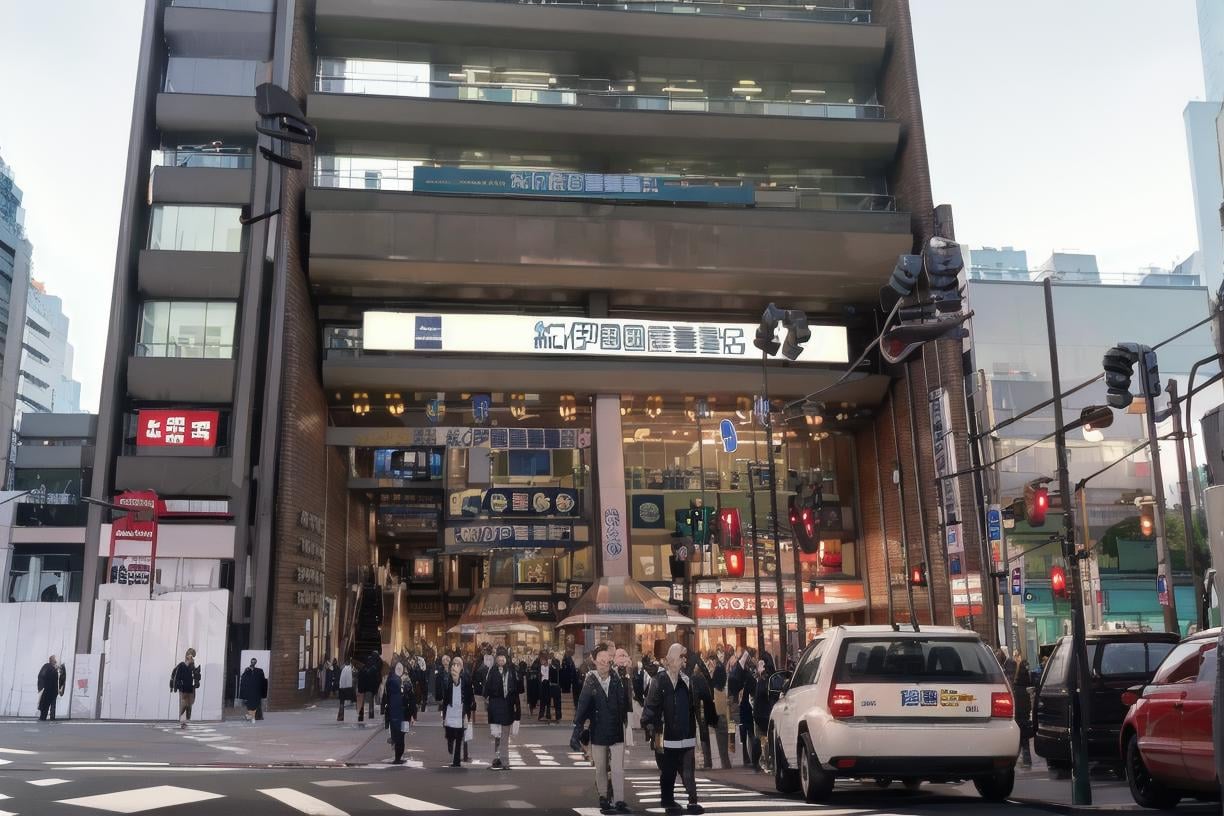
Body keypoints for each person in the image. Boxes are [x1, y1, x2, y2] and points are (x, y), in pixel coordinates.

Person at [641, 643, 703, 816]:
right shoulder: (659, 681)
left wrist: (699, 730)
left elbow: (694, 708)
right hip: (665, 735)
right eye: (679, 658)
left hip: (686, 735)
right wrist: (650, 726)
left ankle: (693, 801)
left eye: (684, 658)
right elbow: (650, 707)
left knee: (688, 772)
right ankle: (668, 801)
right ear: (670, 660)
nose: (683, 661)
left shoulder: (687, 680)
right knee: (667, 772)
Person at [571, 643, 629, 814]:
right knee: (601, 767)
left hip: (616, 730)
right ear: (594, 661)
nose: (605, 664)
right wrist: (578, 728)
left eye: (607, 660)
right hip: (597, 730)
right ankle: (603, 797)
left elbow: (623, 703)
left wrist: (627, 723)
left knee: (618, 769)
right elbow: (582, 706)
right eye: (601, 661)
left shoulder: (617, 678)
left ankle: (619, 800)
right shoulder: (590, 680)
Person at [484, 646, 521, 770]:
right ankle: (498, 759)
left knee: (505, 736)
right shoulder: (492, 671)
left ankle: (505, 762)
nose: (500, 661)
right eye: (498, 659)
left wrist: (517, 708)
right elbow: (487, 689)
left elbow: (516, 690)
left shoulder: (511, 671)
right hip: (495, 706)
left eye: (502, 659)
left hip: (507, 706)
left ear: (506, 659)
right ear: (496, 660)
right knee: (497, 736)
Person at [440, 655, 475, 768]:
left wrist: (470, 707)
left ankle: (456, 761)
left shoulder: (466, 676)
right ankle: (450, 741)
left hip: (461, 709)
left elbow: (470, 693)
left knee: (459, 736)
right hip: (451, 708)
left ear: (462, 666)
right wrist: (444, 708)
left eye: (458, 664)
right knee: (450, 731)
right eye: (454, 663)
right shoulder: (449, 677)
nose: (456, 665)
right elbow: (445, 694)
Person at [727, 648, 756, 765]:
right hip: (743, 707)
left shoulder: (736, 673)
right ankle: (745, 757)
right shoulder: (747, 674)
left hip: (736, 706)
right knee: (745, 731)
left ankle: (735, 755)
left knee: (735, 731)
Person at [387, 662, 418, 764]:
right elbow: (386, 698)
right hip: (394, 713)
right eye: (397, 668)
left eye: (401, 668)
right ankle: (397, 757)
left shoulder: (407, 683)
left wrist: (414, 715)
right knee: (397, 734)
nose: (399, 670)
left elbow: (412, 700)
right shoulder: (391, 681)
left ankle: (398, 756)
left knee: (402, 735)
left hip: (405, 715)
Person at [690, 655, 716, 770]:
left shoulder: (695, 677)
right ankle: (706, 761)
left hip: (699, 710)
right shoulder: (701, 677)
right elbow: (707, 695)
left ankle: (705, 761)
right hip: (702, 709)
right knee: (703, 734)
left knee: (701, 734)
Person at [707, 655, 731, 769]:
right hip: (727, 719)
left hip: (717, 719)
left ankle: (724, 764)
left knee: (721, 746)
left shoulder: (714, 691)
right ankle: (727, 763)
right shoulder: (725, 690)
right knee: (726, 745)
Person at [1012, 651, 1035, 768]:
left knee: (1019, 739)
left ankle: (1015, 761)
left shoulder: (1015, 685)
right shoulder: (1029, 684)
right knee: (1025, 739)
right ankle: (1027, 760)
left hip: (1017, 715)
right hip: (1026, 714)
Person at [169, 648, 201, 729]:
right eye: (191, 657)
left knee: (189, 705)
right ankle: (183, 723)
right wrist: (176, 686)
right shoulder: (182, 665)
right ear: (187, 657)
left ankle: (185, 721)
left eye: (192, 658)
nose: (192, 659)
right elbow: (176, 676)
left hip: (190, 689)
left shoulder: (192, 667)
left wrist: (196, 681)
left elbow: (196, 677)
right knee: (183, 705)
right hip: (183, 689)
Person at [751, 659, 773, 770]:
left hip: (761, 715)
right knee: (762, 739)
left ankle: (763, 761)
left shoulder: (761, 681)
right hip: (763, 715)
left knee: (762, 739)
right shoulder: (763, 681)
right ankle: (764, 761)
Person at [239, 657, 267, 723]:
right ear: (250, 662)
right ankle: (251, 716)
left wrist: (263, 692)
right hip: (249, 690)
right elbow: (243, 679)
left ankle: (254, 717)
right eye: (252, 661)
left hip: (256, 690)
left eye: (254, 661)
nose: (253, 663)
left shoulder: (259, 670)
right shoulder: (247, 670)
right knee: (249, 704)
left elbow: (263, 681)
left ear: (256, 662)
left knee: (256, 704)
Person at [357, 651, 382, 725]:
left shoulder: (365, 660)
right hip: (371, 683)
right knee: (371, 697)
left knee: (362, 699)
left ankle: (361, 715)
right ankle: (371, 713)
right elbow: (379, 669)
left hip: (363, 682)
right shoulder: (377, 661)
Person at [539, 649, 561, 722]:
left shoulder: (555, 662)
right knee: (545, 701)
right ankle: (545, 715)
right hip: (545, 684)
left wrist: (551, 665)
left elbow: (557, 669)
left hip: (554, 684)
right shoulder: (540, 665)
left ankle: (557, 716)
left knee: (556, 701)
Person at [36, 656, 60, 722]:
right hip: (48, 689)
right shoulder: (48, 667)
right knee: (46, 704)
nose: (56, 662)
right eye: (55, 661)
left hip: (52, 690)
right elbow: (42, 676)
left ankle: (50, 717)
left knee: (49, 704)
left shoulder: (50, 667)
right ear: (52, 661)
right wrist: (41, 687)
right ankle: (44, 717)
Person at [338, 657, 356, 721]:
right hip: (348, 687)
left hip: (342, 687)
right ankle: (341, 716)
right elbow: (354, 676)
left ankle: (340, 716)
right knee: (345, 700)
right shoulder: (351, 669)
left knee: (341, 702)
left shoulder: (343, 668)